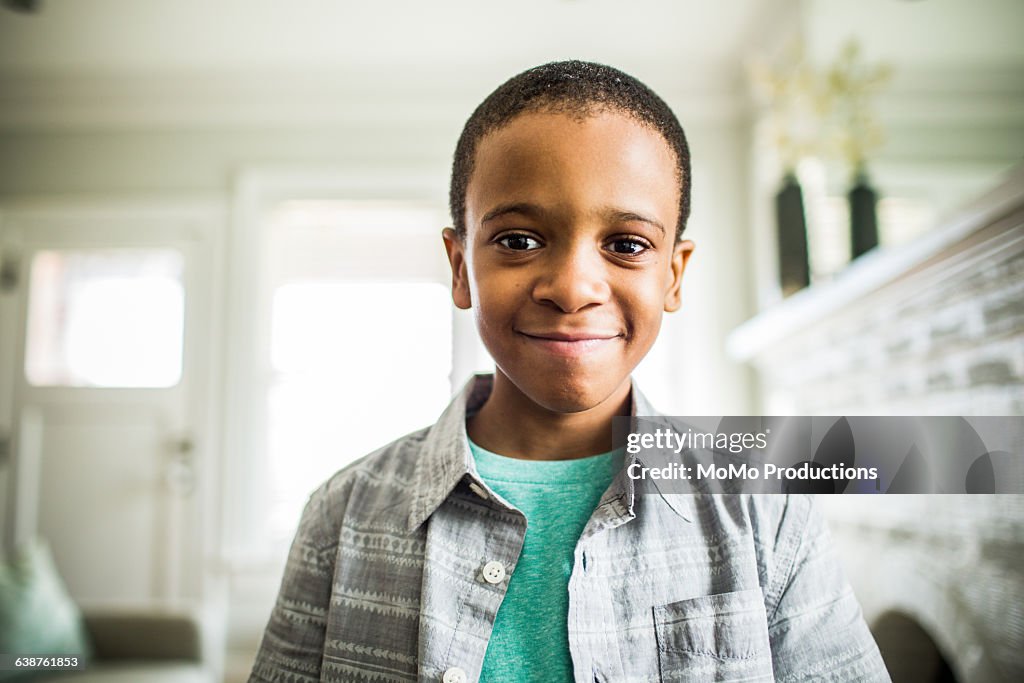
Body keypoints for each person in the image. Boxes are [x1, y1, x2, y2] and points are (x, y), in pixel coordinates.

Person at [249, 60, 890, 683]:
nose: (573, 288)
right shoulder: (342, 514)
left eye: (627, 245)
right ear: (460, 266)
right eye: (520, 240)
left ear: (673, 274)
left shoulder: (765, 511)